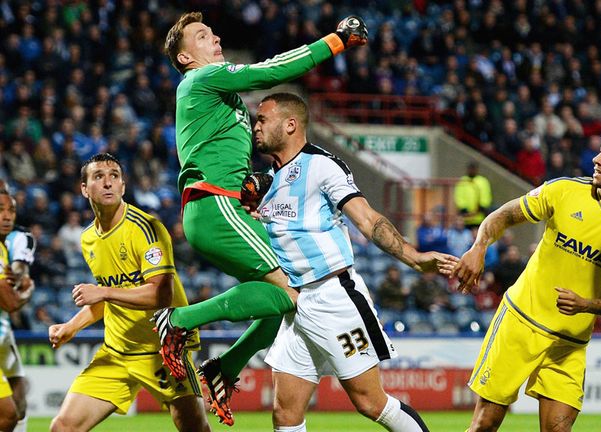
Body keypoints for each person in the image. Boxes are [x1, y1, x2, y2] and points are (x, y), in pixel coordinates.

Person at [153, 12, 368, 425]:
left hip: (220, 207)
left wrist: (253, 186)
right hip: (215, 205)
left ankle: (225, 369)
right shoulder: (202, 80)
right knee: (293, 292)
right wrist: (335, 41)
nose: (215, 37)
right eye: (202, 36)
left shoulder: (219, 98)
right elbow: (272, 70)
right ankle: (178, 321)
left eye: (213, 31)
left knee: (284, 305)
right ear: (184, 58)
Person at [251, 92, 457, 431]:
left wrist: (415, 259)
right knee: (285, 411)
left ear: (290, 124)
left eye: (262, 119)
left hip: (332, 296)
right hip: (295, 302)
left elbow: (367, 219)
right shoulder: (269, 179)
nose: (255, 126)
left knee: (370, 402)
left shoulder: (321, 166)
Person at [452, 134, 601, 432]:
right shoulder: (564, 190)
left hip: (570, 342)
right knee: (484, 425)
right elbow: (503, 215)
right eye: (600, 150)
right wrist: (479, 247)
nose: (597, 158)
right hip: (521, 322)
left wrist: (587, 305)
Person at [47, 153, 209, 432]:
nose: (108, 183)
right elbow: (106, 299)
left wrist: (104, 293)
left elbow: (160, 296)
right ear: (84, 189)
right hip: (117, 353)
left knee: (194, 428)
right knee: (63, 427)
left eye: (115, 176)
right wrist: (71, 327)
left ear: (123, 186)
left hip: (164, 351)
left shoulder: (148, 229)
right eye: (98, 176)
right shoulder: (88, 239)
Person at [0, 188, 35, 432]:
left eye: (11, 210)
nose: (6, 216)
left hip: (3, 332)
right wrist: (27, 291)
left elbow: (19, 270)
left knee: (18, 402)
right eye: (0, 210)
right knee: (8, 415)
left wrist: (22, 279)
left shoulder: (8, 247)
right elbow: (11, 303)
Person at [453, 161, 493, 228]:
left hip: (480, 216)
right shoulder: (462, 180)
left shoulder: (483, 181)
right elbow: (458, 195)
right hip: (466, 217)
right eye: (470, 168)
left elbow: (486, 194)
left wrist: (482, 206)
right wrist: (463, 207)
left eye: (473, 168)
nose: (472, 170)